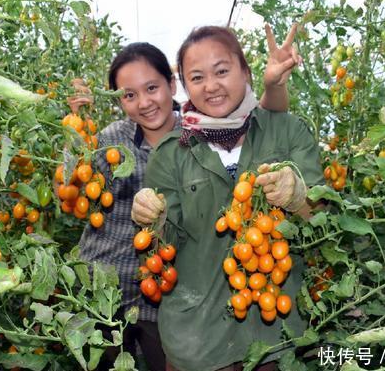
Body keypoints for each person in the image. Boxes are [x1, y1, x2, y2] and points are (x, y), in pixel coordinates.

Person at [78, 24, 301, 371]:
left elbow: (264, 116)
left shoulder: (201, 128)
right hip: (106, 282)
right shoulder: (111, 141)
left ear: (172, 84)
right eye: (129, 95)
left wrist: (275, 85)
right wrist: (75, 130)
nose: (144, 102)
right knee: (104, 362)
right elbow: (72, 188)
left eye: (152, 88)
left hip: (162, 285)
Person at [130, 26, 323, 371]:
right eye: (198, 77)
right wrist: (152, 218)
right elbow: (162, 247)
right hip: (198, 344)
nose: (211, 85)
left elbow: (324, 220)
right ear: (186, 87)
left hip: (279, 341)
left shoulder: (286, 131)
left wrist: (299, 198)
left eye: (222, 71)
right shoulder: (170, 153)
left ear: (246, 72)